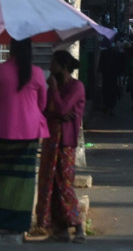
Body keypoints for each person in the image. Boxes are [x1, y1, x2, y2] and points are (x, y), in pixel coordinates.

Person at [0, 37, 49, 233]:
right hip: (30, 133)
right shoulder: (38, 73)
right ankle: (18, 222)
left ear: (10, 49)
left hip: (3, 129)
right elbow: (42, 105)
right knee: (23, 178)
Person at [35, 50, 86, 243]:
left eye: (54, 64)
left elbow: (63, 109)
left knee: (65, 184)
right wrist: (57, 112)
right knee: (50, 183)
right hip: (51, 139)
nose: (50, 68)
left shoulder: (76, 87)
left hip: (65, 142)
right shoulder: (53, 88)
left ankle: (78, 226)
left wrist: (55, 93)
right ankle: (59, 227)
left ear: (63, 67)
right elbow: (47, 111)